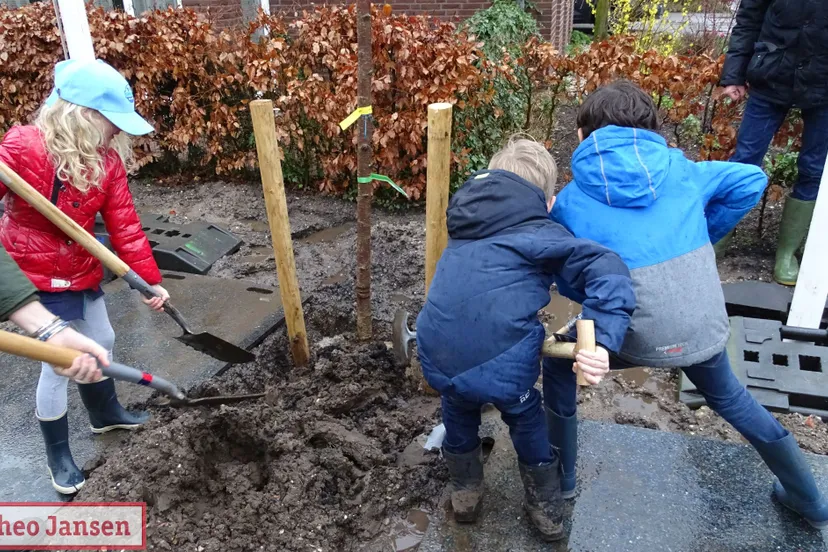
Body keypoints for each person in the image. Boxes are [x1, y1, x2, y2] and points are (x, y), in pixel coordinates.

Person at [546, 79, 828, 528]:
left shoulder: (570, 202)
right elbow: (751, 179)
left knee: (559, 364)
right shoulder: (683, 170)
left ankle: (561, 481)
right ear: (649, 132)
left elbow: (565, 271)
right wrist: (702, 235)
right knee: (732, 397)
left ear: (583, 135)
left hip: (626, 335)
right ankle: (809, 499)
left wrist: (585, 299)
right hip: (700, 327)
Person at [416, 137, 636, 541]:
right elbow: (605, 265)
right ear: (547, 202)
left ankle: (465, 493)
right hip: (500, 357)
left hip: (435, 347)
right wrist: (603, 336)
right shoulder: (538, 232)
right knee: (523, 412)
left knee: (458, 403)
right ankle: (545, 508)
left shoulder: (464, 224)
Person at [0, 58, 168, 495]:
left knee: (103, 338)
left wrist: (149, 280)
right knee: (59, 363)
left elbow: (125, 226)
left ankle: (104, 413)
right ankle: (57, 453)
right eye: (112, 120)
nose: (118, 131)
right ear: (85, 114)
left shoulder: (106, 163)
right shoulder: (23, 146)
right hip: (35, 269)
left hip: (82, 266)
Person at [718, 0, 828, 285]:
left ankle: (786, 253)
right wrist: (734, 74)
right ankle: (716, 237)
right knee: (744, 160)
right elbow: (749, 18)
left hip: (823, 84)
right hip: (772, 73)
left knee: (813, 169)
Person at [1, 245, 106, 383]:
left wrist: (51, 330)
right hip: (43, 275)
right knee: (55, 368)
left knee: (96, 344)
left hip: (77, 271)